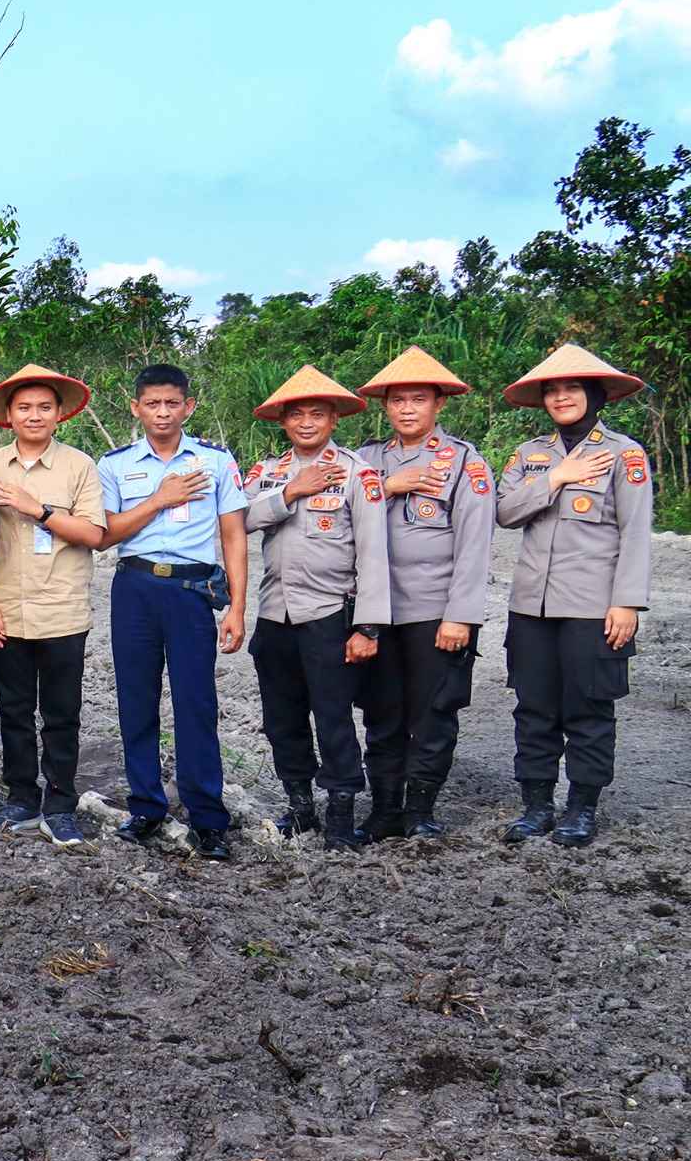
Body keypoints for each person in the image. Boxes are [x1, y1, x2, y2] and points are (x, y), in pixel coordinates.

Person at [495, 343, 654, 848]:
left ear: (595, 394)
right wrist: (556, 477)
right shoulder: (529, 456)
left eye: (572, 388)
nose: (562, 397)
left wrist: (626, 601)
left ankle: (581, 808)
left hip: (592, 606)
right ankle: (537, 805)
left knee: (589, 708)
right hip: (531, 607)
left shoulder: (625, 454)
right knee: (533, 707)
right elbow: (505, 512)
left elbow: (635, 533)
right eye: (553, 390)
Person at [96, 364, 251, 860]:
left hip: (191, 592)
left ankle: (208, 817)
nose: (163, 412)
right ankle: (145, 806)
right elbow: (106, 533)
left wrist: (238, 608)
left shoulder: (216, 462)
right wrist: (160, 500)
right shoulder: (116, 465)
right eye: (153, 403)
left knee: (196, 703)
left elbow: (233, 534)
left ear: (189, 407)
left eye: (172, 403)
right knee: (135, 700)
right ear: (136, 407)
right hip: (135, 587)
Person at [242, 366, 390, 850]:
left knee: (333, 716)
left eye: (318, 414)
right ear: (283, 421)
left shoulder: (357, 473)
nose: (307, 422)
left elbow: (373, 553)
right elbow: (239, 519)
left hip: (329, 613)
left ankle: (342, 815)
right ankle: (300, 807)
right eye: (297, 414)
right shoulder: (267, 473)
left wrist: (367, 626)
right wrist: (291, 491)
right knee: (281, 716)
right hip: (274, 613)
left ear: (333, 420)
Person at [354, 346, 492, 840]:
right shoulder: (366, 459)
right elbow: (343, 513)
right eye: (397, 401)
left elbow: (475, 546)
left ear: (439, 405)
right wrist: (389, 485)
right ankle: (385, 808)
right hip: (375, 611)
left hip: (435, 610)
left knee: (433, 713)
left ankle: (420, 811)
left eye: (418, 399)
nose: (407, 409)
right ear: (385, 407)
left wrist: (461, 616)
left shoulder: (463, 462)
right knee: (381, 712)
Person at [0, 364, 105, 849]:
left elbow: (94, 534)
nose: (34, 415)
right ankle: (21, 799)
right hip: (4, 609)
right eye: (24, 407)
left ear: (59, 414)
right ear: (8, 415)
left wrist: (39, 509)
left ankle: (62, 804)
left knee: (61, 713)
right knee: (12, 709)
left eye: (44, 407)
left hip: (63, 610)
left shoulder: (79, 466)